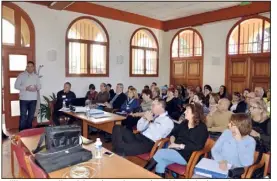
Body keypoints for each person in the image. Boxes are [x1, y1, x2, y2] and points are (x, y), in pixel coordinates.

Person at [144, 103, 208, 178]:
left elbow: (198, 146)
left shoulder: (201, 128)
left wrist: (179, 146)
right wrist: (173, 142)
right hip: (175, 151)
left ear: (194, 113)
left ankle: (142, 174)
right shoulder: (184, 123)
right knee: (160, 163)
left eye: (187, 111)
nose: (184, 112)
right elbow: (173, 134)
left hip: (187, 155)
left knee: (160, 153)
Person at [15, 61, 41, 131]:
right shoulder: (21, 75)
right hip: (23, 99)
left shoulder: (36, 76)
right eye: (28, 66)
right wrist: (26, 88)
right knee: (23, 116)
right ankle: (21, 132)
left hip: (33, 99)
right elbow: (16, 86)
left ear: (33, 68)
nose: (30, 68)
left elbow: (39, 86)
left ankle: (28, 132)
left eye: (31, 66)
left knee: (31, 116)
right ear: (26, 67)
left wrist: (36, 88)